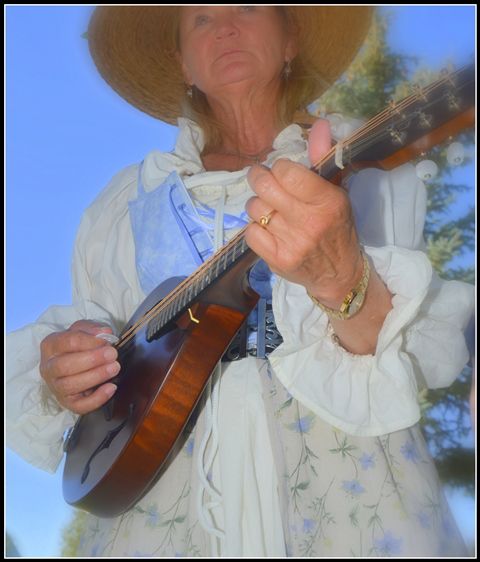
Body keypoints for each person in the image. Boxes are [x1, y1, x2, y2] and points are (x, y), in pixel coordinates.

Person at [6, 6, 474, 557]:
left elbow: (415, 356)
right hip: (163, 488)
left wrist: (343, 277)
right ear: (183, 63)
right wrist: (71, 374)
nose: (225, 26)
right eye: (200, 18)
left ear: (290, 40)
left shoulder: (362, 163)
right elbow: (105, 348)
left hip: (348, 477)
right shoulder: (121, 204)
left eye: (247, 6)